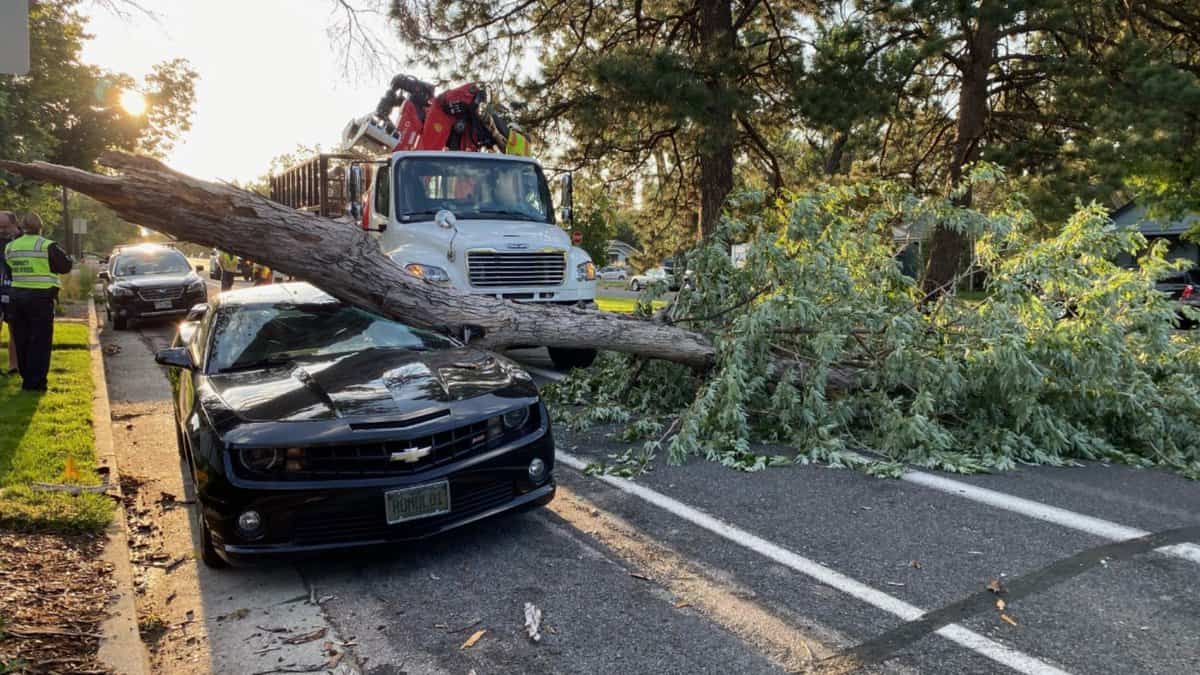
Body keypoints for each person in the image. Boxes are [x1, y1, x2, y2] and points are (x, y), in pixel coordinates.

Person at [3, 213, 72, 391]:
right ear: (41, 227)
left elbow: (10, 271)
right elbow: (65, 267)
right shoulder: (47, 245)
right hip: (40, 299)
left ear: (22, 227)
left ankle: (27, 377)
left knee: (21, 338)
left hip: (16, 297)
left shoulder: (10, 247)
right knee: (40, 341)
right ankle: (36, 382)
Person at [0, 211, 20, 375]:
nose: (1, 230)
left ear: (15, 225)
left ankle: (13, 366)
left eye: (5, 227)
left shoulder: (23, 241)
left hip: (16, 290)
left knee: (15, 329)